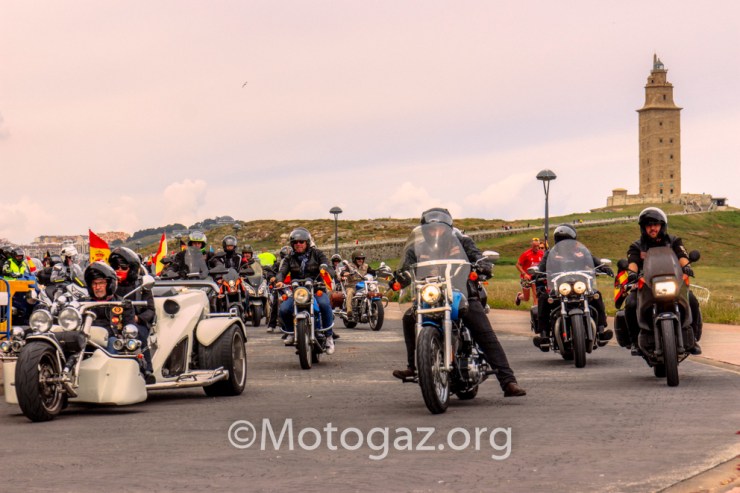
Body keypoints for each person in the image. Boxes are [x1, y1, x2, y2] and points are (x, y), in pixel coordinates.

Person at [391, 208, 526, 397]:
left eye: (439, 228)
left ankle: (508, 381)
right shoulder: (417, 248)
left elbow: (476, 256)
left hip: (461, 292)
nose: (435, 232)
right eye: (431, 229)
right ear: (425, 230)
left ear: (447, 228)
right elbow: (406, 270)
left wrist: (483, 265)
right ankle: (413, 366)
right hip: (431, 294)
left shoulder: (462, 241)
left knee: (483, 330)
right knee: (408, 318)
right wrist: (399, 278)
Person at [624, 207, 702, 355]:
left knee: (692, 300)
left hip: (673, 282)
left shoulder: (673, 241)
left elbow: (682, 256)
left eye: (656, 224)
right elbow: (632, 262)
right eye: (648, 225)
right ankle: (634, 341)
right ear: (643, 227)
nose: (652, 228)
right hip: (646, 285)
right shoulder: (637, 246)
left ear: (662, 225)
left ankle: (693, 339)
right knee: (631, 303)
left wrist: (687, 267)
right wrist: (632, 273)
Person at [533, 224, 613, 350]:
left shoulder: (582, 252)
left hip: (580, 285)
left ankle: (601, 330)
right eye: (563, 241)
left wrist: (604, 267)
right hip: (559, 288)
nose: (566, 244)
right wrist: (537, 274)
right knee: (544, 299)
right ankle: (544, 336)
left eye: (569, 241)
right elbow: (541, 267)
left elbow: (593, 260)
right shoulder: (550, 254)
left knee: (596, 295)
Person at [83, 262, 150, 381]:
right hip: (87, 341)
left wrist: (125, 333)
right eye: (94, 283)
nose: (97, 287)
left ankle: (110, 378)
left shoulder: (123, 304)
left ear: (110, 284)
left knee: (114, 342)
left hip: (113, 341)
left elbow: (130, 326)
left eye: (101, 283)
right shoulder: (82, 304)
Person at [274, 228, 336, 354]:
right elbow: (282, 271)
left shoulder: (317, 254)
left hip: (316, 289)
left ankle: (329, 336)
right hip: (298, 292)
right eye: (295, 242)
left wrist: (325, 270)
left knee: (324, 304)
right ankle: (291, 332)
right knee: (284, 309)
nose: (298, 244)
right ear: (292, 244)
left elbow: (328, 267)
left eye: (301, 242)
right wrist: (279, 280)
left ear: (307, 242)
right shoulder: (289, 258)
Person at [109, 247, 155, 382]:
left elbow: (151, 310)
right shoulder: (109, 285)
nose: (119, 270)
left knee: (137, 334)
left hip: (135, 323)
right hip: (112, 323)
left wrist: (137, 318)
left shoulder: (141, 286)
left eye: (123, 267)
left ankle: (147, 369)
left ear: (132, 269)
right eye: (115, 267)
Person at [341, 250, 376, 319]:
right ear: (354, 259)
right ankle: (349, 311)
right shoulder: (349, 266)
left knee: (372, 290)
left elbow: (372, 271)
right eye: (358, 258)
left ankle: (372, 307)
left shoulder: (366, 266)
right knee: (350, 293)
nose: (361, 260)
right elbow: (343, 272)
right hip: (352, 285)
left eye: (362, 258)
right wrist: (345, 273)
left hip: (363, 285)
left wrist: (376, 272)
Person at [514, 238, 544, 307]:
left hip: (535, 277)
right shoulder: (526, 254)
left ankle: (536, 309)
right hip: (526, 277)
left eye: (538, 246)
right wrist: (524, 274)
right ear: (532, 246)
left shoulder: (541, 253)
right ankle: (519, 297)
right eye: (535, 246)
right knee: (526, 298)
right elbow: (518, 265)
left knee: (535, 294)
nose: (536, 248)